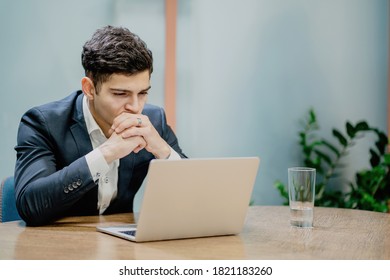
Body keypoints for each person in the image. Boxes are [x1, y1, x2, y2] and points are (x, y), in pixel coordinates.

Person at [14, 25, 186, 226]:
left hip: (123, 248)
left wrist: (162, 150)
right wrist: (105, 154)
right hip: (58, 247)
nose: (135, 107)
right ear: (89, 88)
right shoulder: (43, 123)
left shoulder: (153, 120)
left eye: (142, 93)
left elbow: (195, 193)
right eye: (120, 94)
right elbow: (30, 205)